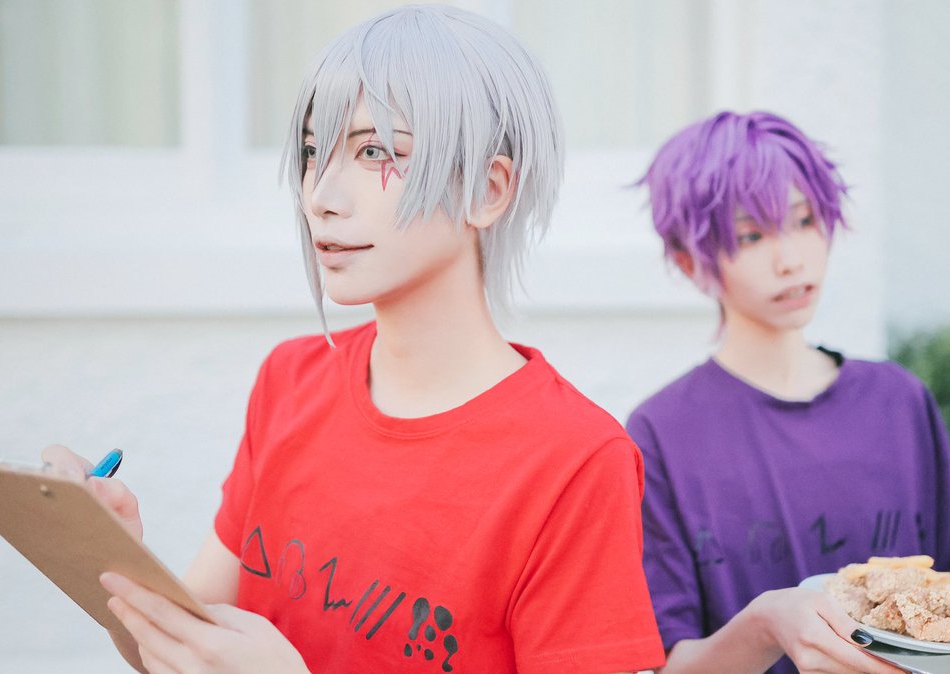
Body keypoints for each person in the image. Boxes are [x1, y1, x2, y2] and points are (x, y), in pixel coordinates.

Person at [43, 6, 664, 673]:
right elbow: (180, 655)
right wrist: (110, 553)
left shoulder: (576, 462)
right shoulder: (291, 381)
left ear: (487, 191)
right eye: (314, 152)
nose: (321, 196)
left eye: (374, 152)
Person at [627, 110, 950, 674]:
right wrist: (766, 625)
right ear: (688, 260)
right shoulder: (662, 433)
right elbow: (671, 663)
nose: (790, 258)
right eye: (751, 235)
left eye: (804, 220)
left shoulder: (898, 401)